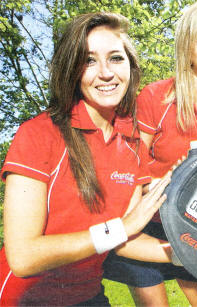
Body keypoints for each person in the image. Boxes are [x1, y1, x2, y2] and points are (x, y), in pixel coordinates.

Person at [0, 12, 177, 306]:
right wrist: (119, 228)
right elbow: (23, 257)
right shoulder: (39, 134)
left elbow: (126, 239)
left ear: (131, 67)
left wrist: (192, 255)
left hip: (88, 296)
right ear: (72, 70)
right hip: (23, 299)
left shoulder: (133, 144)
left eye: (116, 58)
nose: (106, 72)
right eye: (89, 60)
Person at [102, 1, 197, 306]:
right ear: (187, 46)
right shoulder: (155, 97)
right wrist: (168, 184)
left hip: (194, 228)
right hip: (145, 228)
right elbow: (129, 170)